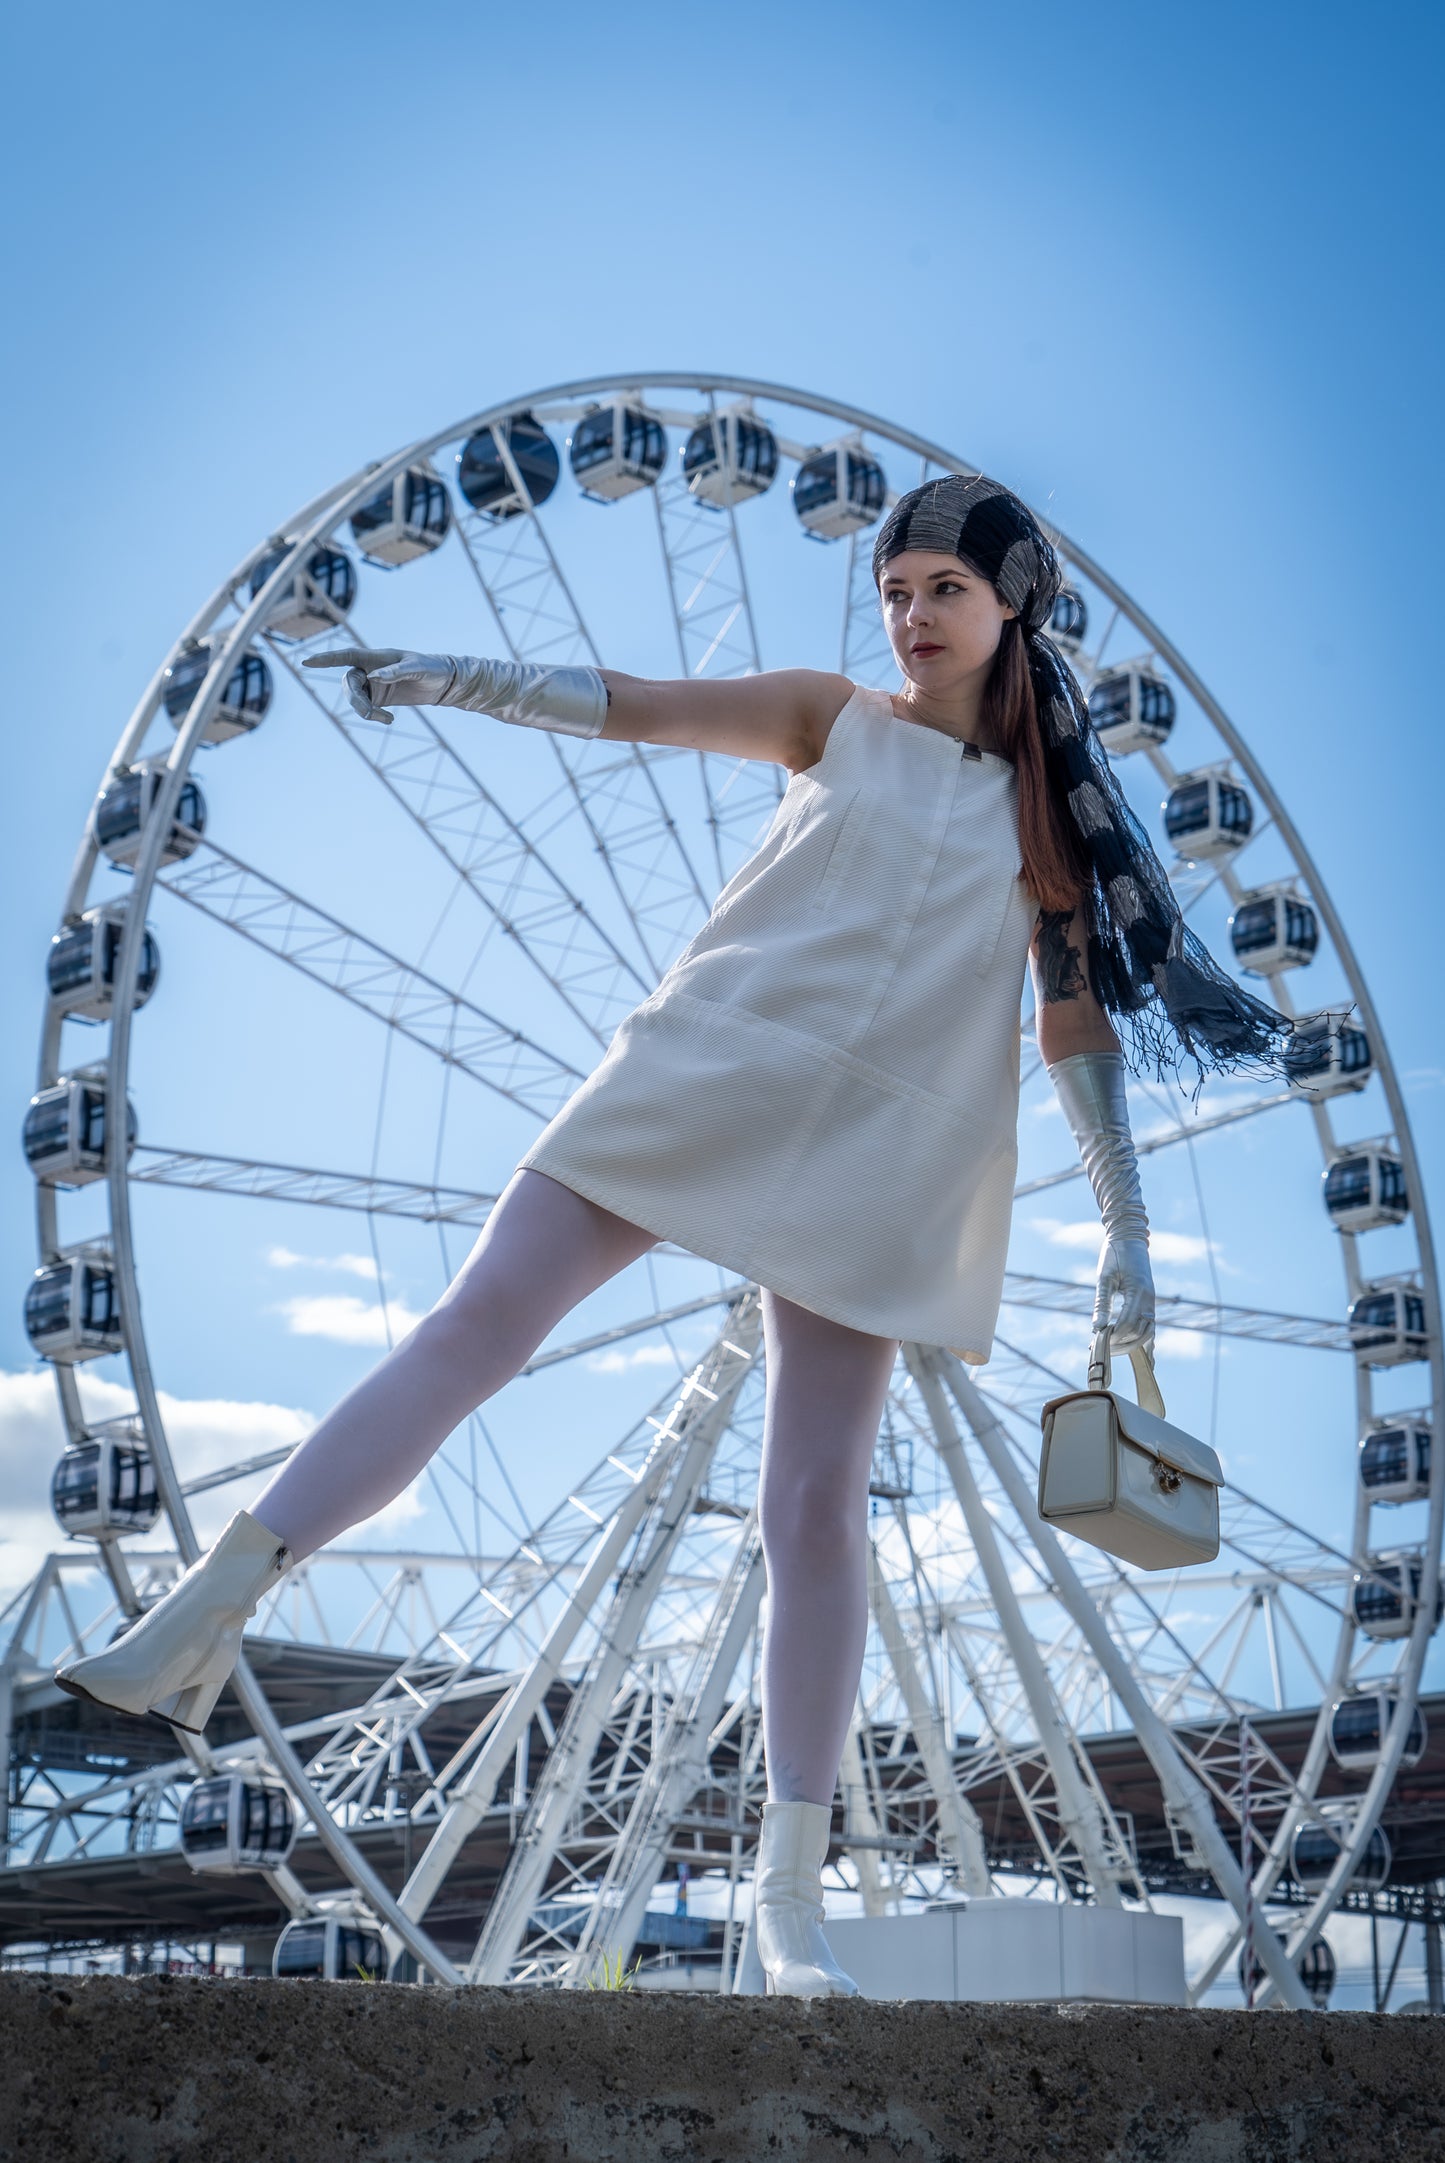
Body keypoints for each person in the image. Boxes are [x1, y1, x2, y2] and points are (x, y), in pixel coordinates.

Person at [56, 473, 1298, 1996]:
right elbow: (635, 704)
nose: (909, 619)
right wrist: (459, 677)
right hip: (706, 1062)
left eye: (942, 594)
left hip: (885, 1140)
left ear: (1012, 605)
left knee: (813, 1507)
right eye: (894, 591)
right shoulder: (826, 716)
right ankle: (204, 1613)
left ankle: (784, 1903)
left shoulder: (1046, 815)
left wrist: (1125, 1228)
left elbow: (1072, 1022)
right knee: (470, 1332)